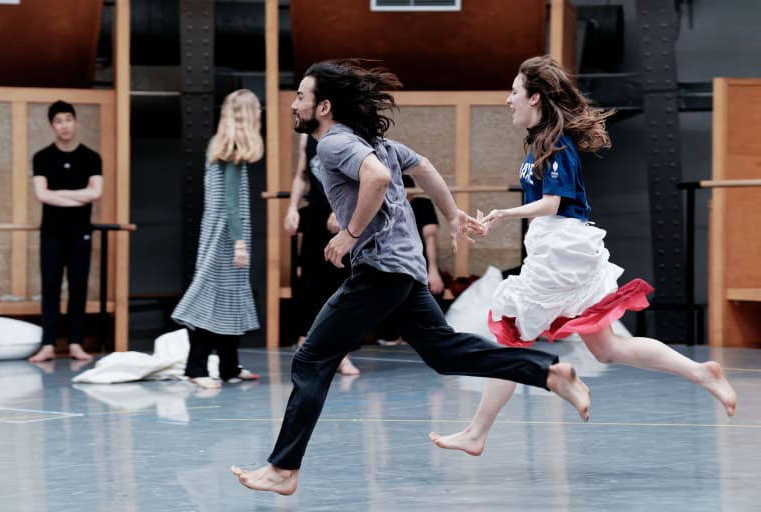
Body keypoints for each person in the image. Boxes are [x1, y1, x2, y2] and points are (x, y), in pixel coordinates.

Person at [231, 60, 591, 495]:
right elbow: (423, 166)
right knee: (446, 353)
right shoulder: (374, 141)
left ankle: (284, 469)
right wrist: (452, 211)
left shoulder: (333, 144)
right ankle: (549, 372)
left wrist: (349, 235)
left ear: (323, 107)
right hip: (404, 270)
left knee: (311, 359)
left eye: (302, 97)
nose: (294, 104)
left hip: (380, 270)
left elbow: (379, 179)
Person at [428, 55, 738, 457]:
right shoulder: (540, 143)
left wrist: (507, 212)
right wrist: (496, 220)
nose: (508, 100)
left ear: (535, 97)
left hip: (561, 252)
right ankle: (701, 372)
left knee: (510, 338)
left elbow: (555, 203)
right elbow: (546, 202)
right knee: (607, 349)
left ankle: (485, 426)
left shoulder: (555, 145)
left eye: (514, 92)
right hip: (560, 248)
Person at [171, 89, 263, 389]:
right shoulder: (233, 147)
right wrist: (238, 242)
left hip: (220, 231)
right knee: (213, 300)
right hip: (226, 235)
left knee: (230, 300)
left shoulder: (220, 144)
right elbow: (231, 202)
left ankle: (228, 366)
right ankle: (196, 368)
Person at [29, 100, 103, 363]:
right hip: (51, 233)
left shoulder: (91, 157)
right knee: (50, 288)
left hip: (80, 232)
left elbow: (96, 192)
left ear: (75, 122)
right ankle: (48, 344)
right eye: (59, 121)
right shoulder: (42, 157)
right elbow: (41, 195)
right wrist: (77, 197)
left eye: (68, 119)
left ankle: (75, 344)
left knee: (78, 288)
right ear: (52, 126)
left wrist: (57, 193)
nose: (64, 125)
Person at [284, 133, 359, 374]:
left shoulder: (345, 134)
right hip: (316, 215)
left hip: (341, 216)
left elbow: (356, 179)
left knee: (337, 285)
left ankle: (340, 353)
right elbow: (301, 175)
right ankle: (307, 343)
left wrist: (339, 209)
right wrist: (292, 208)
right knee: (309, 282)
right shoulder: (307, 138)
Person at [377, 174, 444, 346]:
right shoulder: (386, 205)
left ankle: (418, 335)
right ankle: (397, 334)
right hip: (392, 260)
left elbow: (430, 238)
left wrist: (433, 270)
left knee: (424, 294)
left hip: (418, 261)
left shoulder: (422, 205)